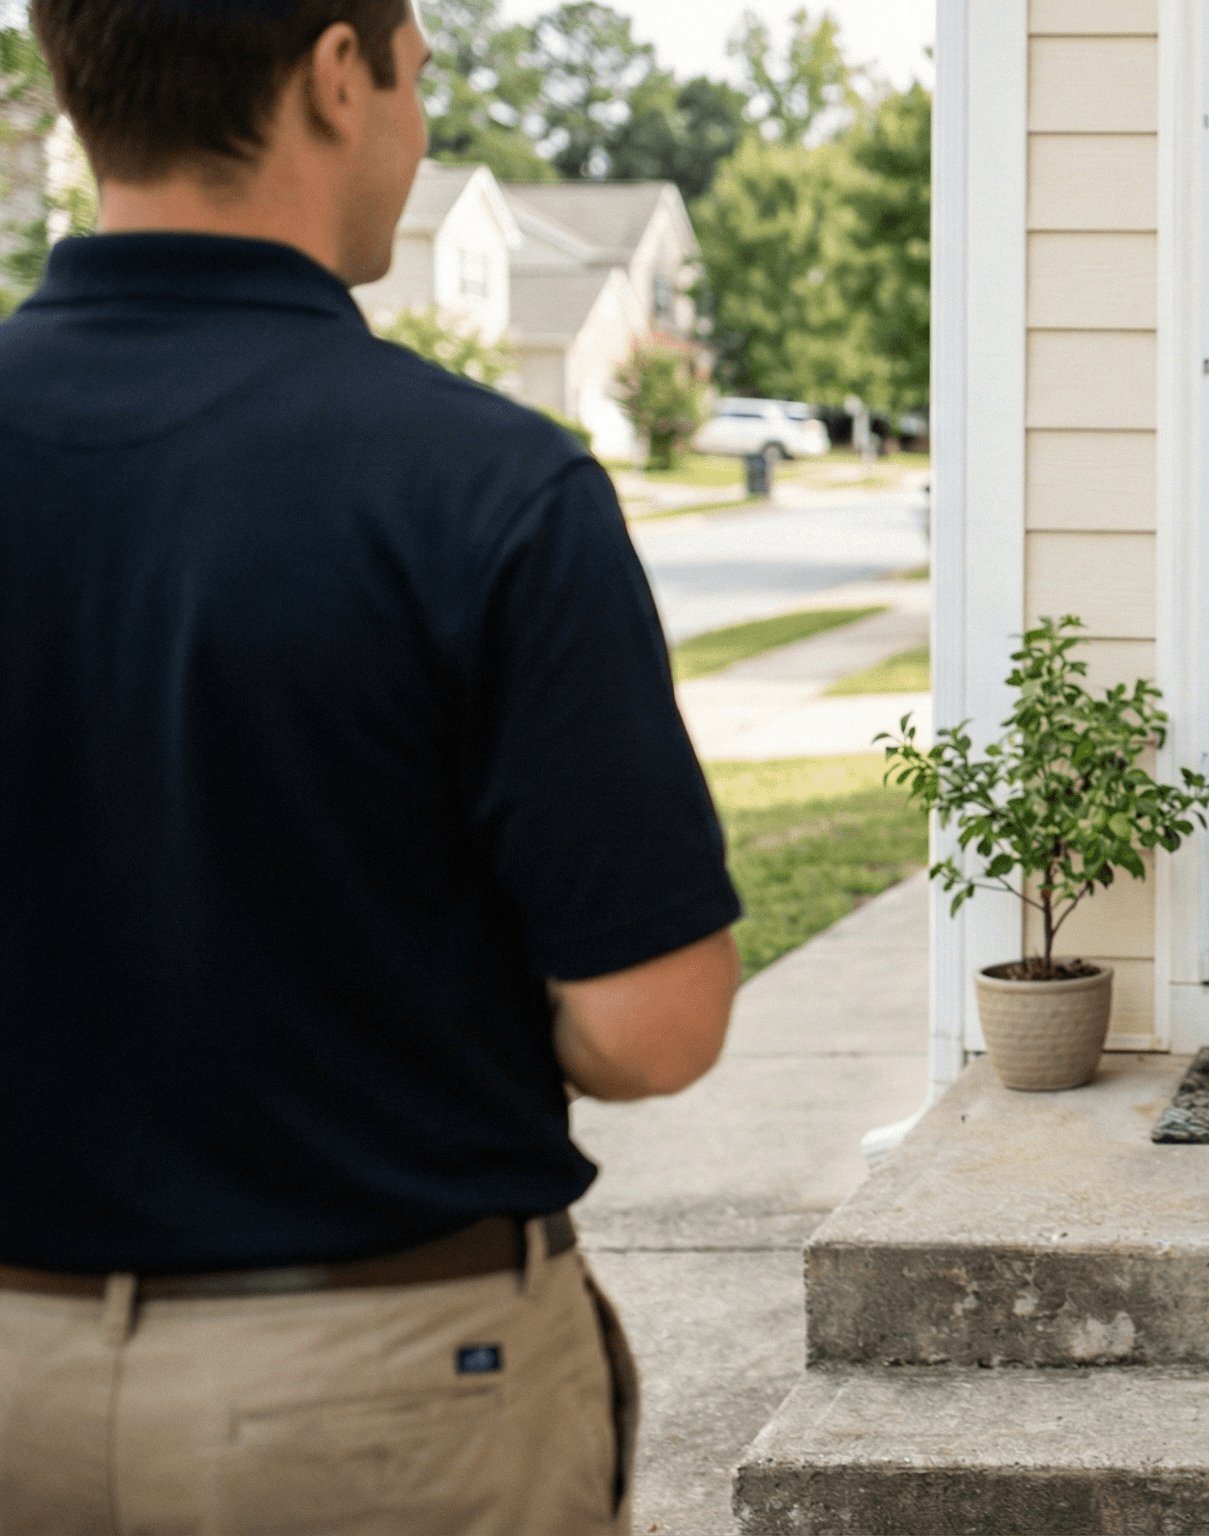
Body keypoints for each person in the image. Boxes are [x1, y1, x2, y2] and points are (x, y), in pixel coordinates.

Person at [0, 2, 742, 1531]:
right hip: (381, 1389)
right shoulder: (487, 486)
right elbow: (653, 1025)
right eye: (420, 76)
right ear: (339, 75)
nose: (417, 127)